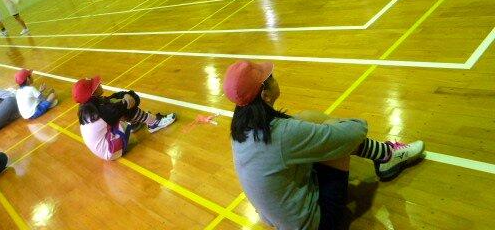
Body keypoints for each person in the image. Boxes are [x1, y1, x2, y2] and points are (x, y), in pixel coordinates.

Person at [223, 60, 425, 230]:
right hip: (318, 224)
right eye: (271, 78)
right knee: (337, 143)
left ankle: (385, 156)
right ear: (265, 95)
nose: (275, 78)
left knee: (306, 118)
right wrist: (335, 124)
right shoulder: (281, 134)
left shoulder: (241, 129)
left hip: (281, 220)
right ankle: (387, 156)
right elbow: (357, 131)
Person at [73, 76, 176, 161]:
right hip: (112, 150)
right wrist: (128, 98)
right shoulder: (101, 111)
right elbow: (131, 102)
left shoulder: (91, 107)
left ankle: (135, 124)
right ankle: (153, 123)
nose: (99, 83)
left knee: (118, 105)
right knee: (125, 107)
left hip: (107, 149)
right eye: (95, 86)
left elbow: (115, 97)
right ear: (92, 94)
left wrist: (126, 95)